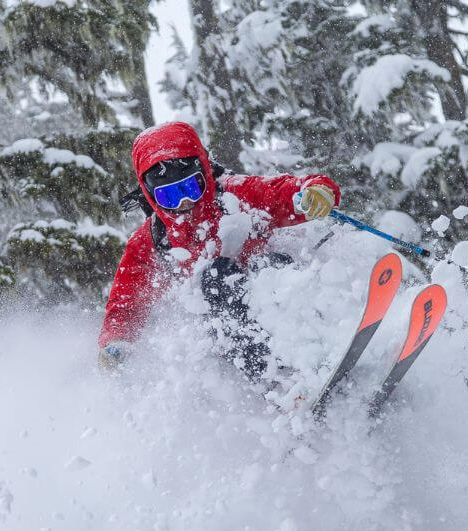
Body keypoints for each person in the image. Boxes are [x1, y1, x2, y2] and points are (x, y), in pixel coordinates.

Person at [98, 121, 340, 379]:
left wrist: (315, 193)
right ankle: (276, 381)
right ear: (150, 196)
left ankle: (318, 350)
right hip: (223, 333)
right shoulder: (152, 239)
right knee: (217, 276)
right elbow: (127, 297)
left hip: (272, 301)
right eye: (170, 197)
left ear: (204, 173)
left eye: (191, 188)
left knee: (269, 264)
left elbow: (281, 193)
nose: (185, 202)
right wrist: (116, 339)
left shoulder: (234, 194)